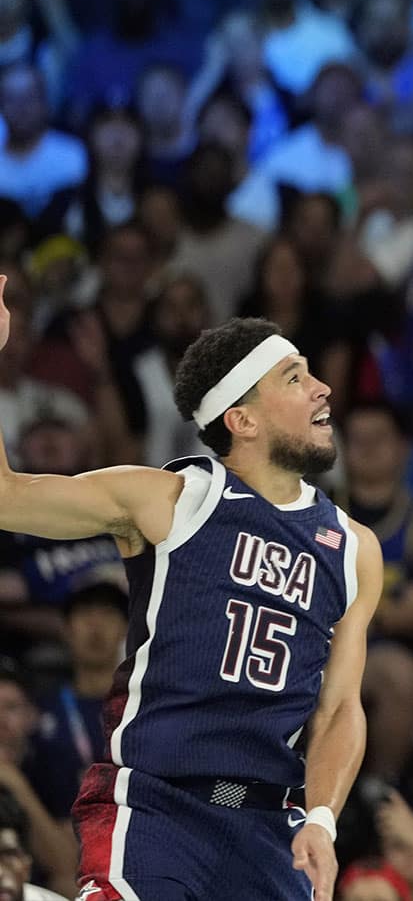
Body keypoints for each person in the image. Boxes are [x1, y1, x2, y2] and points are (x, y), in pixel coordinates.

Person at [0, 299, 385, 901]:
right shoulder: (173, 501)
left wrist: (323, 819)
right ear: (243, 420)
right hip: (155, 805)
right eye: (295, 377)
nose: (323, 388)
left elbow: (339, 710)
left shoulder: (354, 550)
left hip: (269, 827)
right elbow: (8, 499)